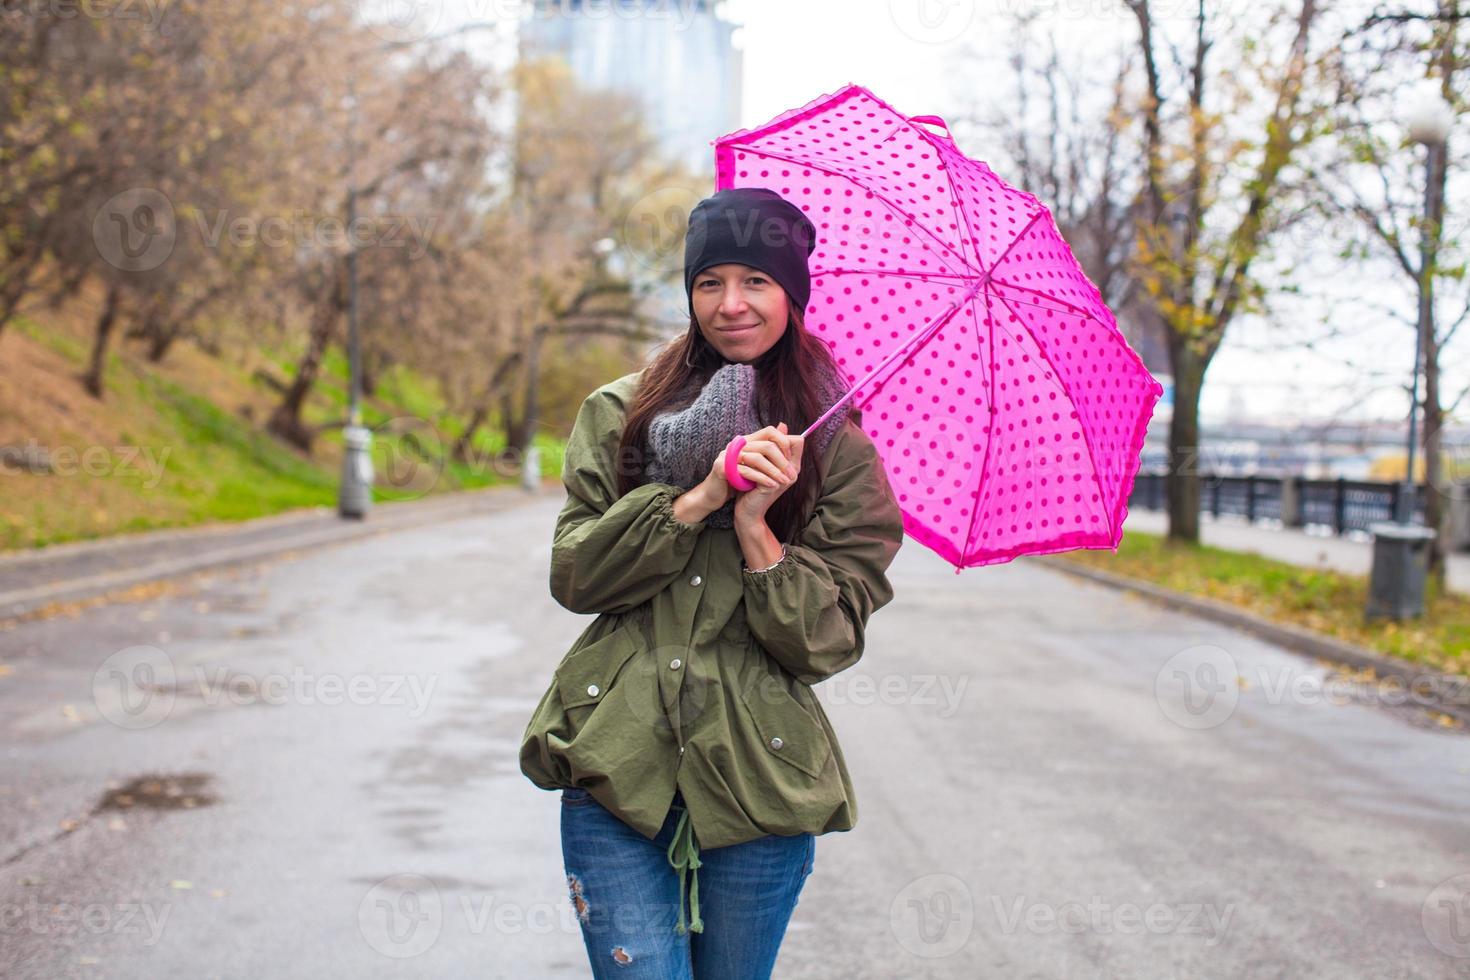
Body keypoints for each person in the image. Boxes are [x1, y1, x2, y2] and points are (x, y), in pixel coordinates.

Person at [519, 187, 905, 979]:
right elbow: (576, 574)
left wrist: (760, 529)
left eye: (755, 282)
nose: (730, 305)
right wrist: (696, 500)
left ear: (792, 293)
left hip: (761, 779)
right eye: (709, 282)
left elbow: (826, 643)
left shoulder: (837, 446)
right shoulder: (620, 412)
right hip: (616, 763)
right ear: (689, 292)